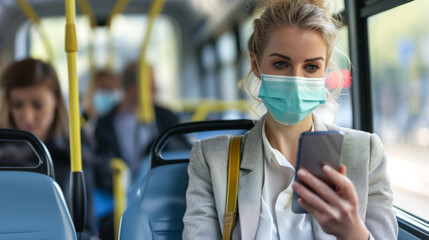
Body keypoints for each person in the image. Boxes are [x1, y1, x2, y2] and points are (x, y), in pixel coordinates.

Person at [183, 0, 398, 239]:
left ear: (325, 70)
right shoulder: (212, 160)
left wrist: (354, 233)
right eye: (281, 64)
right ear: (256, 65)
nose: (296, 80)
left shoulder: (366, 154)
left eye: (311, 67)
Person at [0, 58, 98, 239]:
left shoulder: (76, 155)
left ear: (55, 101)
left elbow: (85, 228)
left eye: (38, 105)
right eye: (17, 105)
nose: (27, 117)